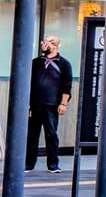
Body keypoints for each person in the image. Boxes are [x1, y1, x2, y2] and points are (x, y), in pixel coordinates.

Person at [26, 36, 73, 173]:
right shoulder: (35, 63)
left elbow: (67, 85)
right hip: (35, 104)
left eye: (51, 42)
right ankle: (28, 164)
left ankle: (53, 165)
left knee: (51, 134)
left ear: (56, 45)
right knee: (32, 135)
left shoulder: (64, 63)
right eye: (45, 41)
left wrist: (63, 104)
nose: (47, 44)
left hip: (52, 105)